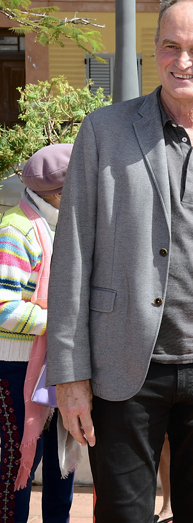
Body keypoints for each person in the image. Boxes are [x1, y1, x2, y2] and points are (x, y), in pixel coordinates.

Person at [46, 0, 193, 522]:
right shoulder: (104, 132)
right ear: (155, 51)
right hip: (122, 370)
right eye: (170, 46)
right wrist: (70, 376)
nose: (183, 61)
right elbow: (72, 255)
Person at [0, 144, 77, 522]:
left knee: (62, 467)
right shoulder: (16, 228)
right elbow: (3, 308)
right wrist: (64, 321)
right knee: (18, 469)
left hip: (59, 363)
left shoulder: (57, 224)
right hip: (17, 368)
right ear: (61, 193)